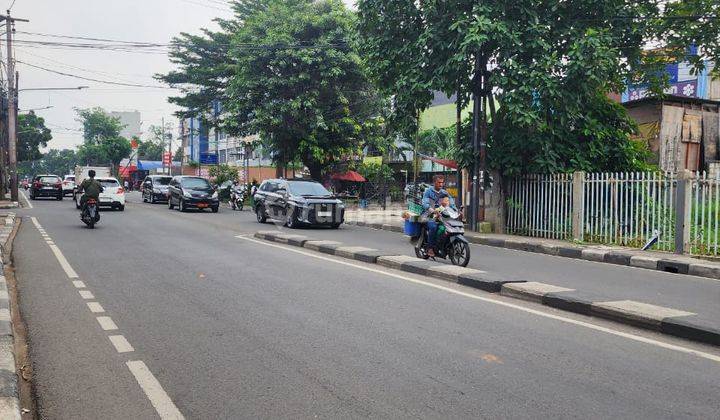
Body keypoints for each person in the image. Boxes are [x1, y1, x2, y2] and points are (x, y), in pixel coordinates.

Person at [422, 175, 456, 257]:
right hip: (428, 214)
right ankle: (430, 248)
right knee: (433, 227)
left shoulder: (444, 192)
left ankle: (442, 245)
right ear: (434, 183)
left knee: (448, 226)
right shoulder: (428, 191)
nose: (441, 184)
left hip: (441, 214)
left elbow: (451, 202)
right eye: (439, 182)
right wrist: (432, 211)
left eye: (442, 182)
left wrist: (456, 210)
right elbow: (425, 203)